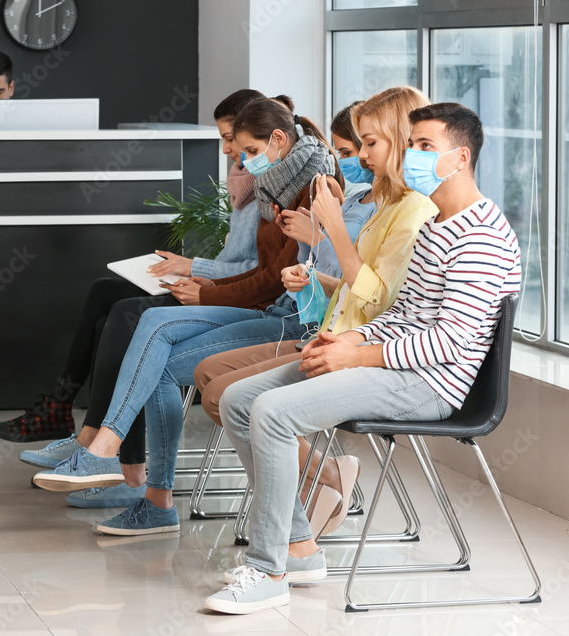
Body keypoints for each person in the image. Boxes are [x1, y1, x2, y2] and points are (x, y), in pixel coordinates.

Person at [203, 102, 521, 615]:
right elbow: (403, 313)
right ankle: (300, 549)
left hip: (429, 382)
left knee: (273, 412)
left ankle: (268, 568)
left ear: (460, 158)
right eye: (411, 144)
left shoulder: (480, 235)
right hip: (390, 359)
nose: (411, 156)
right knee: (241, 400)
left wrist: (360, 355)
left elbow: (449, 343)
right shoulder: (438, 225)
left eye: (425, 147)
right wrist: (347, 342)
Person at [30, 97, 344, 518]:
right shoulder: (278, 183)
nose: (241, 160)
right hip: (269, 310)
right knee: (152, 342)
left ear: (279, 139)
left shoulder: (313, 186)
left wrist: (210, 292)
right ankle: (153, 498)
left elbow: (276, 278)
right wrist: (211, 284)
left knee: (152, 322)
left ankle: (105, 448)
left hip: (289, 322)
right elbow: (268, 269)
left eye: (249, 151)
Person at [0, 91, 266, 507]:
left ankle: (111, 456)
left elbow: (258, 273)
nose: (228, 150)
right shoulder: (245, 180)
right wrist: (191, 266)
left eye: (234, 141)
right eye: (228, 140)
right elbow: (240, 259)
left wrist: (196, 269)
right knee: (106, 293)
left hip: (234, 300)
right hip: (217, 286)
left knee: (126, 317)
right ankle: (66, 413)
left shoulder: (268, 188)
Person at [195, 88, 438, 534]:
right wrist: (314, 279)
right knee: (218, 385)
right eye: (356, 146)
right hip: (334, 330)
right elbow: (351, 288)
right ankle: (314, 492)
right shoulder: (378, 203)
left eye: (367, 144)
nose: (359, 158)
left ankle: (297, 523)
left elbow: (379, 303)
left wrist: (326, 233)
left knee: (242, 401)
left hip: (355, 344)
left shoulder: (415, 212)